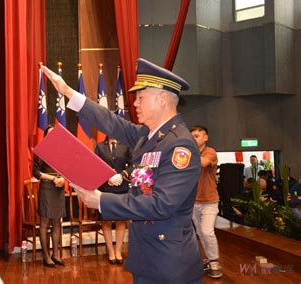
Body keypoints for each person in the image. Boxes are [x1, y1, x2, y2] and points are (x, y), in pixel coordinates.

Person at [42, 58, 203, 283]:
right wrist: (69, 92)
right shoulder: (146, 137)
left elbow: (162, 204)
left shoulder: (180, 146)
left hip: (169, 263)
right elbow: (112, 122)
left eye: (140, 98)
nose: (134, 103)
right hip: (146, 257)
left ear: (163, 98)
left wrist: (101, 201)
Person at [190, 125, 223, 279]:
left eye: (196, 136)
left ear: (205, 138)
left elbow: (203, 163)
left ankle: (214, 261)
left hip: (210, 201)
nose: (193, 138)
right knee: (200, 233)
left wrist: (186, 151)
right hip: (193, 202)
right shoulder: (190, 153)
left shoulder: (210, 152)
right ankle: (209, 260)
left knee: (206, 231)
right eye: (192, 136)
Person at [33, 125, 66, 268]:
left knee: (57, 222)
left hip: (59, 189)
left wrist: (63, 179)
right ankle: (46, 257)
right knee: (45, 222)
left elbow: (67, 170)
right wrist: (53, 179)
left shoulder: (62, 150)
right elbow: (36, 172)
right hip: (47, 188)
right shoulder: (41, 151)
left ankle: (56, 255)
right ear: (45, 136)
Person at [94, 136, 131, 265]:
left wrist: (122, 175)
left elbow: (133, 164)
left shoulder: (125, 145)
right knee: (106, 221)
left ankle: (118, 251)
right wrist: (107, 177)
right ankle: (110, 252)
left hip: (122, 187)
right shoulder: (100, 146)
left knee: (121, 220)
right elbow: (95, 165)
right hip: (105, 188)